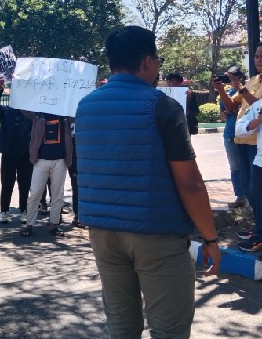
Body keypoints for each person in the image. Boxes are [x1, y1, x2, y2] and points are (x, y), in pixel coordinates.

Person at [76, 25, 220, 338]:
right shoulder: (161, 105)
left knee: (121, 325)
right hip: (156, 232)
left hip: (103, 232)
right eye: (158, 59)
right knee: (169, 330)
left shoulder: (85, 106)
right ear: (147, 61)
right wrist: (210, 238)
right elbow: (190, 184)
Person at [227, 48, 262, 246]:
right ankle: (258, 228)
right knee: (250, 189)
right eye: (256, 56)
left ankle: (259, 232)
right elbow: (234, 106)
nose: (258, 60)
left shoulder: (246, 86)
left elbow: (257, 106)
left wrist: (241, 88)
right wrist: (223, 89)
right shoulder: (253, 80)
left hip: (257, 143)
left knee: (256, 189)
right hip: (243, 139)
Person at [20, 111, 72, 237]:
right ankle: (29, 224)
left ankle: (54, 224)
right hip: (40, 160)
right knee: (35, 193)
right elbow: (23, 108)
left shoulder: (65, 115)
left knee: (57, 195)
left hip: (60, 160)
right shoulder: (38, 115)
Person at [0, 77, 32, 224]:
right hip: (8, 154)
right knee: (7, 184)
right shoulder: (5, 111)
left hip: (25, 154)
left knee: (24, 184)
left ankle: (24, 210)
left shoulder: (30, 114)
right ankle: (4, 211)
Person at [213, 66, 246, 209]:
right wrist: (228, 111)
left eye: (233, 76)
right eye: (228, 76)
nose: (230, 79)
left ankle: (250, 197)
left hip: (247, 134)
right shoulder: (226, 93)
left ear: (240, 77)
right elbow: (222, 116)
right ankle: (240, 197)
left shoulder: (248, 90)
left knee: (248, 166)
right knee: (235, 167)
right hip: (230, 134)